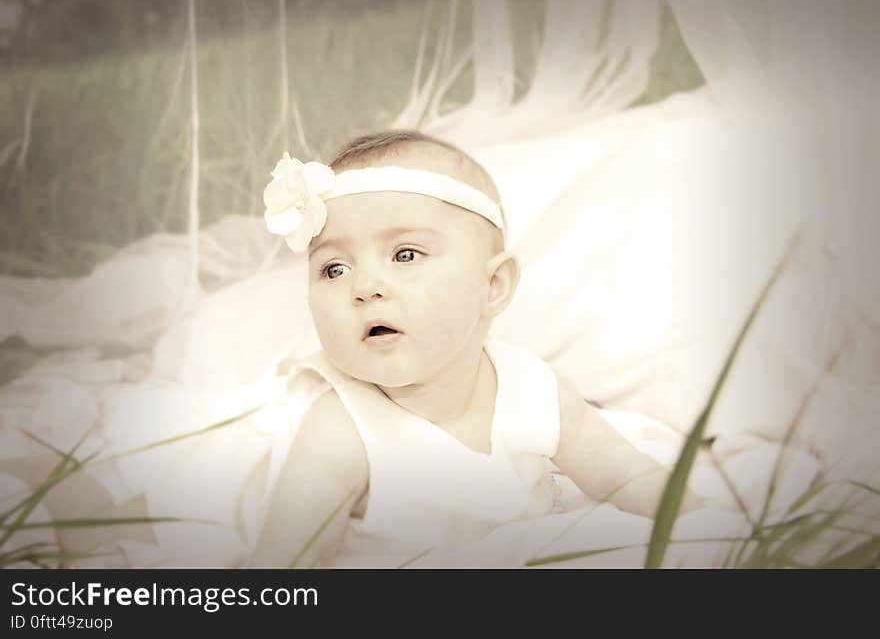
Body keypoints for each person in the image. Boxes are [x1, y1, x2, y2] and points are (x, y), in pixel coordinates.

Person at [249, 130, 701, 568]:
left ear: (493, 286)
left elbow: (628, 477)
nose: (364, 287)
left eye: (405, 254)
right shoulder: (341, 430)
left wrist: (716, 526)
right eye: (333, 269)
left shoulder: (532, 387)